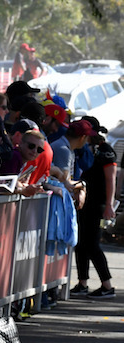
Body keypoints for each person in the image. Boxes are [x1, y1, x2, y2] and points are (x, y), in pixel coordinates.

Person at [70, 117, 117, 299]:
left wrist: (109, 206)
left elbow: (110, 179)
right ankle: (82, 282)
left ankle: (107, 285)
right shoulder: (83, 149)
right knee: (80, 244)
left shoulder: (105, 151)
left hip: (97, 204)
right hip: (83, 202)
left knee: (92, 245)